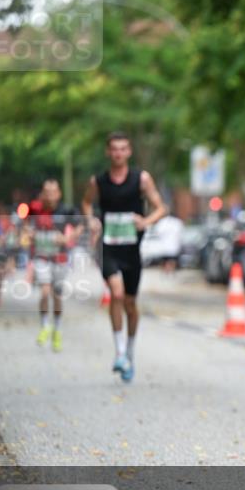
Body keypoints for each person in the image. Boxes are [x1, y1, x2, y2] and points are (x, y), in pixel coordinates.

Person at [82, 131, 167, 382]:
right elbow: (86, 204)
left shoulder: (141, 179)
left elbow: (161, 207)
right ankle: (119, 352)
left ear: (129, 152)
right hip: (108, 247)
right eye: (114, 149)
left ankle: (129, 350)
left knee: (130, 303)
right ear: (108, 152)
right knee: (116, 294)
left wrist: (145, 221)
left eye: (123, 148)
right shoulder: (98, 181)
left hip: (132, 250)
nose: (118, 153)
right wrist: (91, 221)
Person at [32, 179, 81, 351]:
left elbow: (80, 225)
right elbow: (23, 227)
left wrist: (68, 238)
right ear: (42, 194)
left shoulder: (66, 210)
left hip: (60, 258)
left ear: (59, 194)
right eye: (47, 192)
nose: (50, 195)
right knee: (45, 291)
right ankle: (45, 325)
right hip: (42, 258)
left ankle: (57, 329)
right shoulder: (35, 209)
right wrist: (29, 234)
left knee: (57, 296)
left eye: (53, 192)